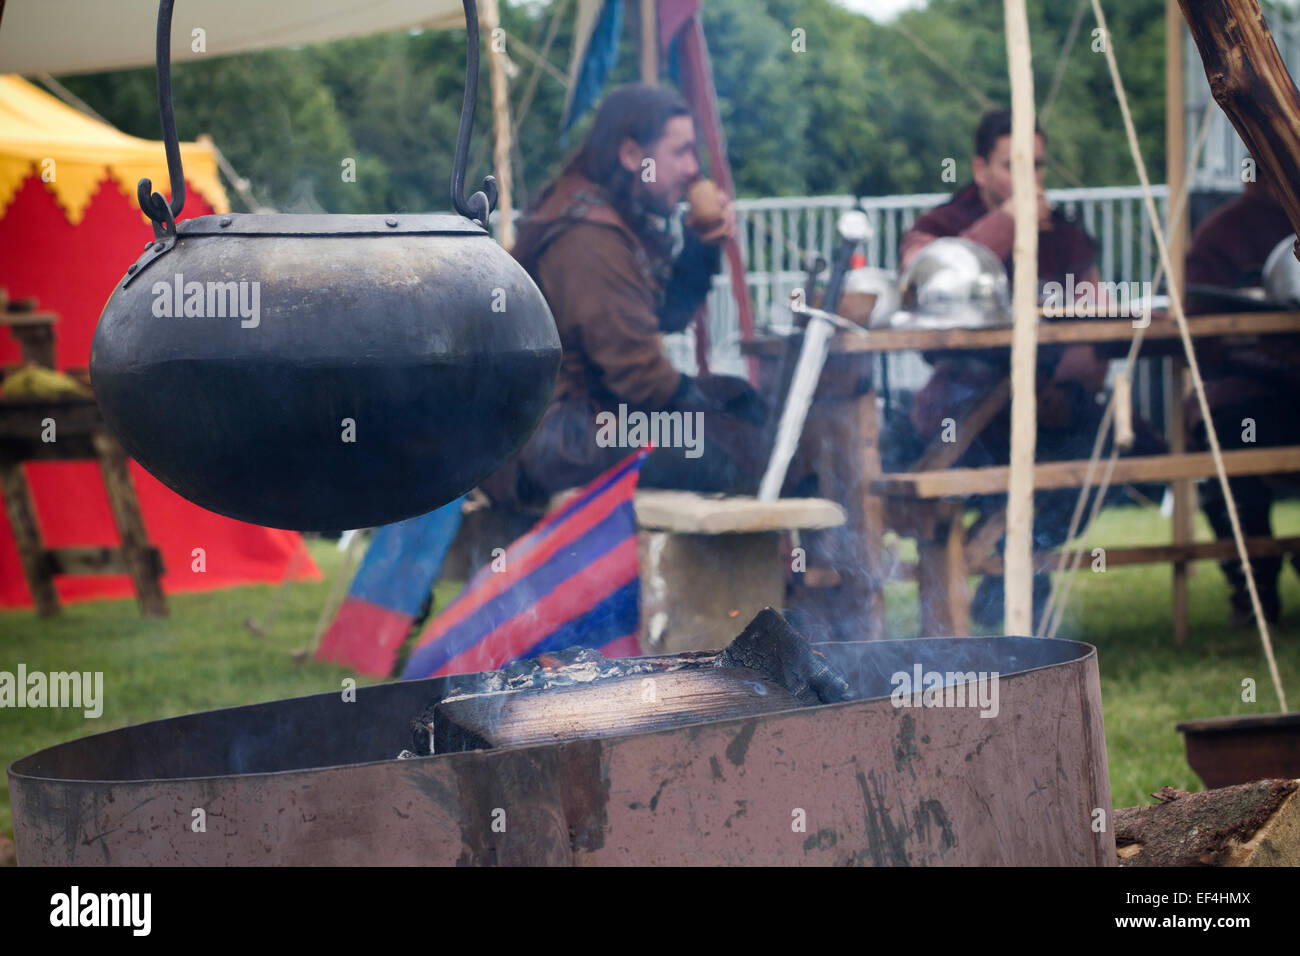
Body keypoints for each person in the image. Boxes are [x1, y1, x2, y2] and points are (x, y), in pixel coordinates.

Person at [482, 85, 768, 511]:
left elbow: (663, 315)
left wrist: (701, 245)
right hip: (558, 438)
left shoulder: (605, 216)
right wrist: (707, 405)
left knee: (740, 405)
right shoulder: (590, 238)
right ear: (633, 155)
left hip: (579, 427)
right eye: (681, 152)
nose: (694, 170)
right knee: (722, 451)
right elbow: (642, 379)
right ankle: (737, 574)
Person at [900, 108, 1116, 629]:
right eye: (1011, 166)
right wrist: (1005, 225)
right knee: (964, 458)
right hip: (964, 410)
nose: (1029, 179)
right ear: (980, 170)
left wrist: (1070, 383)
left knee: (1100, 460)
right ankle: (998, 578)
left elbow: (1097, 316)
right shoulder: (941, 228)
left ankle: (1006, 581)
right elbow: (919, 277)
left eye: (1036, 167)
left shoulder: (1063, 234)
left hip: (1045, 410)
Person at [1184, 169, 1300, 624]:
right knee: (1228, 435)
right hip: (1250, 392)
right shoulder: (1223, 232)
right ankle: (1254, 583)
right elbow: (1201, 331)